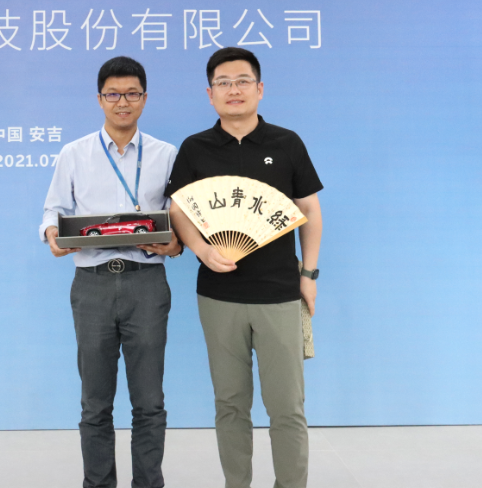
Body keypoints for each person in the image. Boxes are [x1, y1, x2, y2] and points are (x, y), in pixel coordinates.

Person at [165, 47, 323, 488]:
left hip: (279, 293)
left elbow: (310, 210)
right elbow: (178, 209)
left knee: (287, 406)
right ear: (210, 93)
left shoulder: (287, 143)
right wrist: (200, 249)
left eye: (242, 81)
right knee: (230, 404)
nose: (233, 90)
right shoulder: (195, 148)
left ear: (260, 88)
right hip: (219, 296)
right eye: (223, 83)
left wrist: (309, 276)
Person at [40, 56, 183, 488]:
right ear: (99, 99)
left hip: (146, 283)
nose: (123, 102)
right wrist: (52, 234)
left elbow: (180, 220)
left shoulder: (166, 155)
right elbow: (53, 210)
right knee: (95, 404)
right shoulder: (74, 153)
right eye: (113, 94)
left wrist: (175, 244)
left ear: (145, 98)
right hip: (92, 286)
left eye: (132, 93)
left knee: (149, 402)